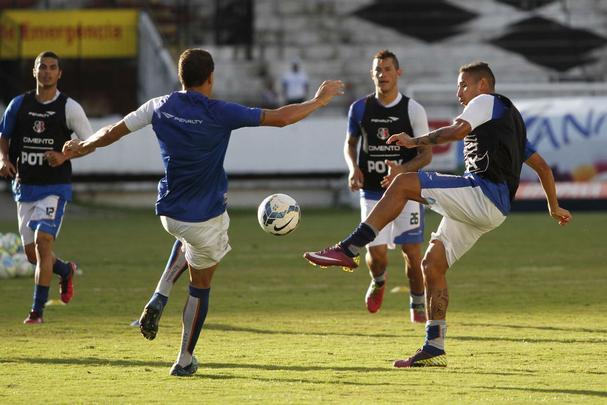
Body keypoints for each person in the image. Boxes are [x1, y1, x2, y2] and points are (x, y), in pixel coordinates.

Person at [63, 48, 344, 377]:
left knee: (186, 241)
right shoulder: (219, 111)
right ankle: (184, 358)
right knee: (201, 286)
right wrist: (318, 101)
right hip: (204, 218)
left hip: (169, 213)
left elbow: (113, 130)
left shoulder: (159, 106)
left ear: (181, 77)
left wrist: (83, 146)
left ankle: (159, 294)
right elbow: (280, 118)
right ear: (211, 77)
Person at [303, 61, 572, 368]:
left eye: (463, 85)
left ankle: (349, 247)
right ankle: (435, 346)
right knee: (432, 263)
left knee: (405, 182)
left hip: (482, 195)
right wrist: (553, 206)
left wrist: (413, 140)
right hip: (491, 210)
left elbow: (457, 132)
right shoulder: (507, 121)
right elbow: (543, 167)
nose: (459, 91)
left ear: (483, 85)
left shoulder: (486, 102)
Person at [0, 51, 90, 324]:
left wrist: (64, 156)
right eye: (43, 67)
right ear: (35, 72)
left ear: (59, 74)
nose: (47, 72)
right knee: (33, 255)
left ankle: (36, 312)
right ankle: (65, 270)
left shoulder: (69, 107)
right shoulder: (18, 104)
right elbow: (3, 136)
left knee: (43, 242)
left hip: (55, 186)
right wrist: (3, 159)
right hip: (25, 186)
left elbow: (90, 141)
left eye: (53, 68)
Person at [343, 50, 431, 321]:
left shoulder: (413, 110)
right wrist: (352, 167)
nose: (383, 74)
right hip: (372, 190)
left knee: (413, 254)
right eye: (378, 70)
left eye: (388, 69)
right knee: (376, 254)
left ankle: (417, 304)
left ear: (398, 73)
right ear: (372, 75)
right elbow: (350, 143)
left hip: (407, 191)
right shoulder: (359, 108)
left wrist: (401, 172)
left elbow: (425, 154)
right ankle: (379, 281)